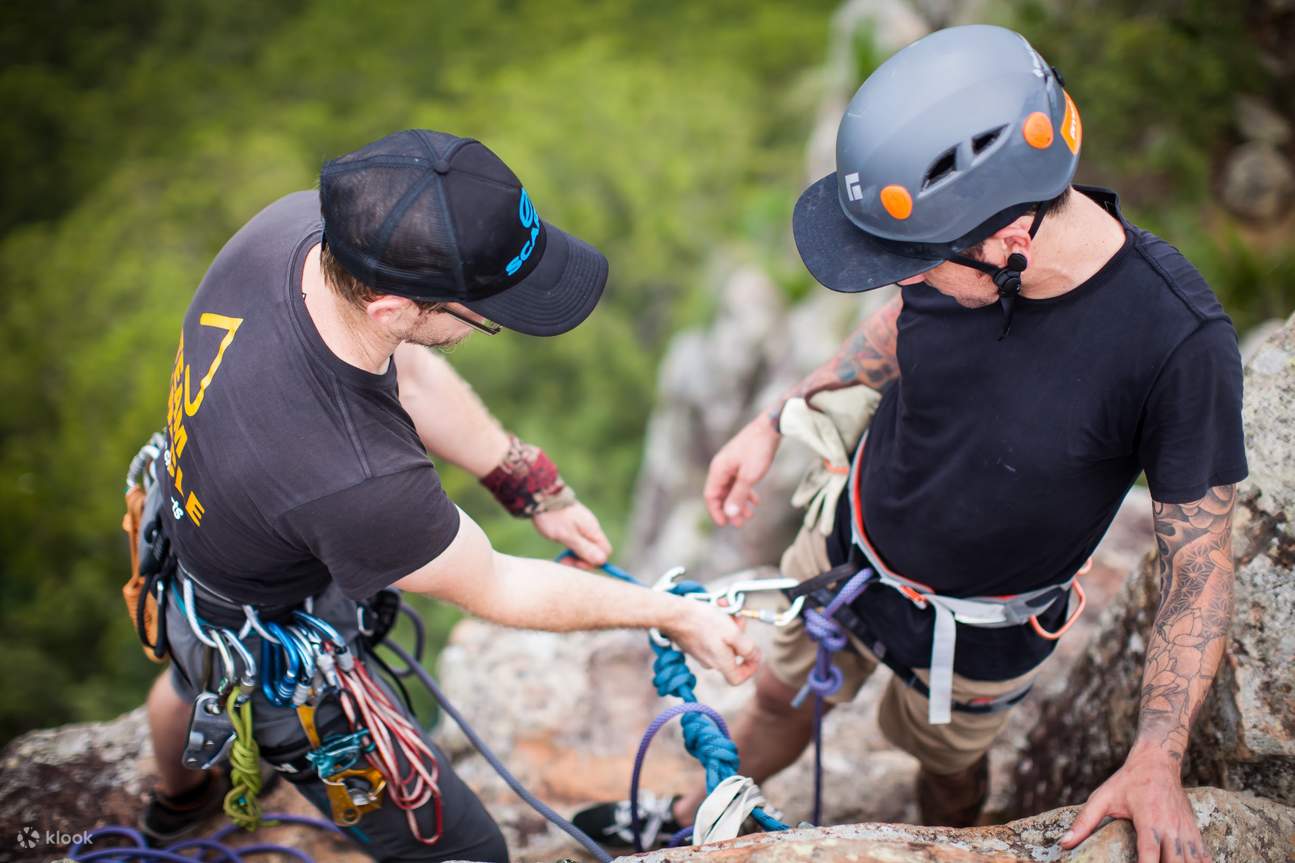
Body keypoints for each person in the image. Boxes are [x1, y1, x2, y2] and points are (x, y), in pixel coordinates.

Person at [577, 26, 1245, 863]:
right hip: (848, 551)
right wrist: (776, 415)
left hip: (980, 628)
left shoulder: (1174, 345)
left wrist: (1157, 753)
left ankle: (951, 833)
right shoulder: (951, 259)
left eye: (917, 263)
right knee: (779, 702)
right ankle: (680, 811)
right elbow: (897, 329)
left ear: (1011, 244)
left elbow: (1200, 563)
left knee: (948, 773)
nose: (902, 280)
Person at [134, 129, 760, 863]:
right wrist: (673, 613)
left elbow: (409, 367)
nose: (484, 324)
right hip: (273, 641)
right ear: (392, 306)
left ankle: (179, 802)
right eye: (477, 311)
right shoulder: (353, 473)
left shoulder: (301, 231)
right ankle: (188, 797)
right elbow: (497, 586)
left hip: (196, 526)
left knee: (193, 670)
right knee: (464, 849)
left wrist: (528, 482)